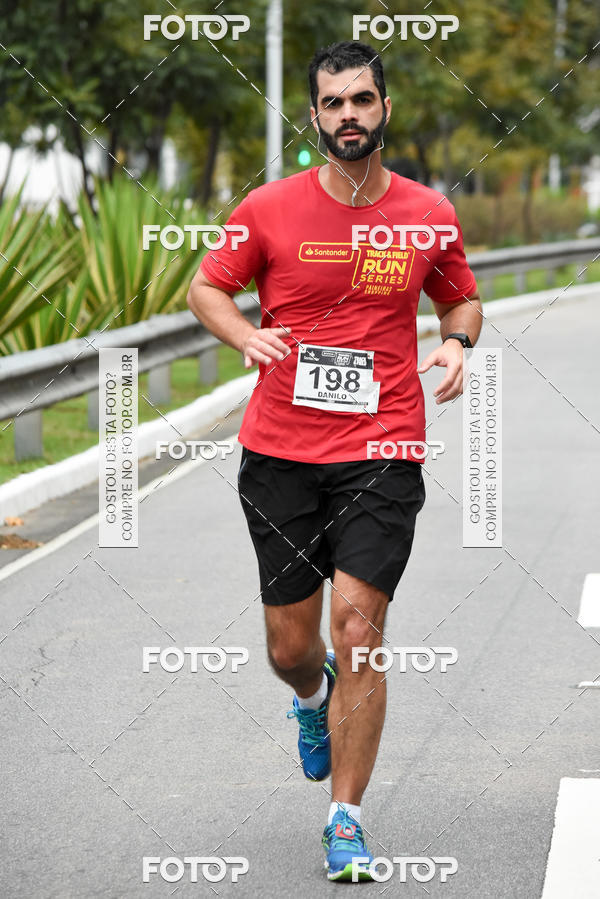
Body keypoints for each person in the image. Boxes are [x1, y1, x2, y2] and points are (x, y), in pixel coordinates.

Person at [187, 40, 482, 882]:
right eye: (332, 103)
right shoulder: (268, 208)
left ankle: (345, 819)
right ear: (313, 116)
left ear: (385, 108)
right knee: (292, 646)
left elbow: (459, 293)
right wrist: (246, 333)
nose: (348, 114)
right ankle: (310, 700)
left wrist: (457, 343)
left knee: (359, 628)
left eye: (362, 99)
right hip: (279, 451)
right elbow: (207, 287)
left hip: (383, 449)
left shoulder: (427, 211)